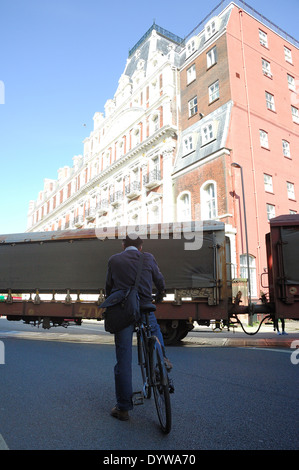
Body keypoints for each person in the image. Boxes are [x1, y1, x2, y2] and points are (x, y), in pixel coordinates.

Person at [105, 234, 172, 421]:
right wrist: (160, 294)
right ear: (141, 247)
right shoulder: (148, 258)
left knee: (123, 358)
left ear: (123, 245)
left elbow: (108, 287)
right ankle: (163, 358)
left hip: (124, 311)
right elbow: (160, 280)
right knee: (153, 329)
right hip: (144, 306)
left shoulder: (114, 260)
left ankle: (123, 408)